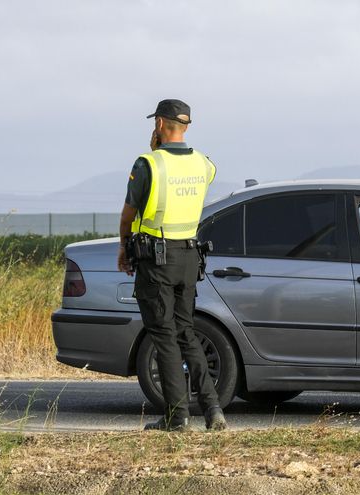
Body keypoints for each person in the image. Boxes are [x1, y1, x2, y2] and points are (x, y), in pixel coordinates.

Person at [116, 99, 226, 432]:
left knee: (163, 336)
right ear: (187, 127)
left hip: (157, 260)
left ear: (161, 124)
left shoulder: (149, 163)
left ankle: (177, 417)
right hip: (190, 259)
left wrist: (124, 247)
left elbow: (128, 215)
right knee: (186, 332)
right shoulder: (204, 165)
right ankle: (213, 411)